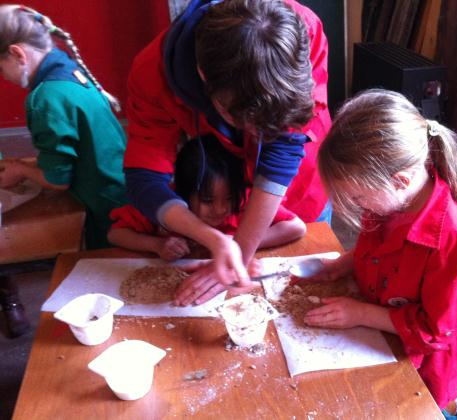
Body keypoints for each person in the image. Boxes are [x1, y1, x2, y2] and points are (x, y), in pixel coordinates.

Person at [299, 90, 457, 415]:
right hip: (380, 333)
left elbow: (432, 333)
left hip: (423, 368)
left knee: (403, 409)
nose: (356, 207)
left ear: (399, 180)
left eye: (358, 198)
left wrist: (360, 314)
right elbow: (380, 248)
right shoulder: (392, 200)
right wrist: (346, 262)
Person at [123, 0, 331, 305]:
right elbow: (144, 178)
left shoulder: (302, 29)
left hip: (302, 182)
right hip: (234, 189)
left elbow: (285, 148)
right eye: (248, 122)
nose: (258, 132)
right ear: (203, 76)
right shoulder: (151, 74)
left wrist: (241, 249)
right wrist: (215, 239)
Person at [0, 5, 127, 338]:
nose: (4, 77)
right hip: (123, 180)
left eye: (1, 68)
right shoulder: (68, 71)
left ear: (16, 54)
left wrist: (20, 170)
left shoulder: (45, 98)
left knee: (108, 272)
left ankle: (111, 325)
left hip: (105, 204)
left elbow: (58, 180)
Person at [108, 135, 306, 260]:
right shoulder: (165, 203)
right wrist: (157, 245)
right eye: (207, 200)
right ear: (182, 193)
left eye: (228, 198)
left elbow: (297, 227)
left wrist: (238, 243)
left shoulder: (245, 200)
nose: (220, 209)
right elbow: (115, 234)